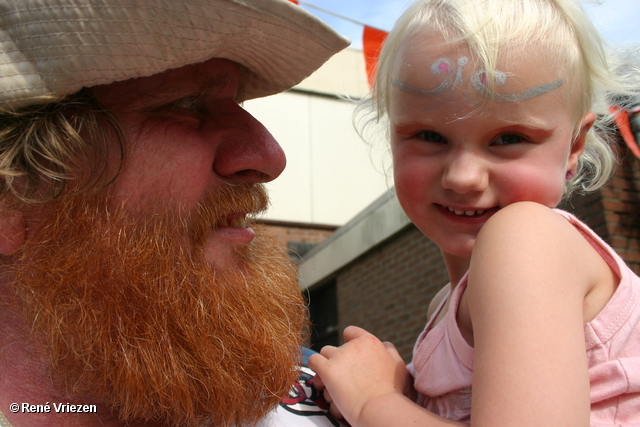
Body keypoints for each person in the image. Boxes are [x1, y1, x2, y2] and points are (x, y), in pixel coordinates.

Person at [0, 0, 349, 426]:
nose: (268, 156)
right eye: (185, 104)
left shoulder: (343, 395)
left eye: (237, 100)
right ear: (12, 198)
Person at [308, 0, 640, 425]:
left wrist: (373, 401)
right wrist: (406, 397)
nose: (464, 177)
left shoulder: (527, 238)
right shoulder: (442, 306)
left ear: (574, 145)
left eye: (508, 138)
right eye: (430, 135)